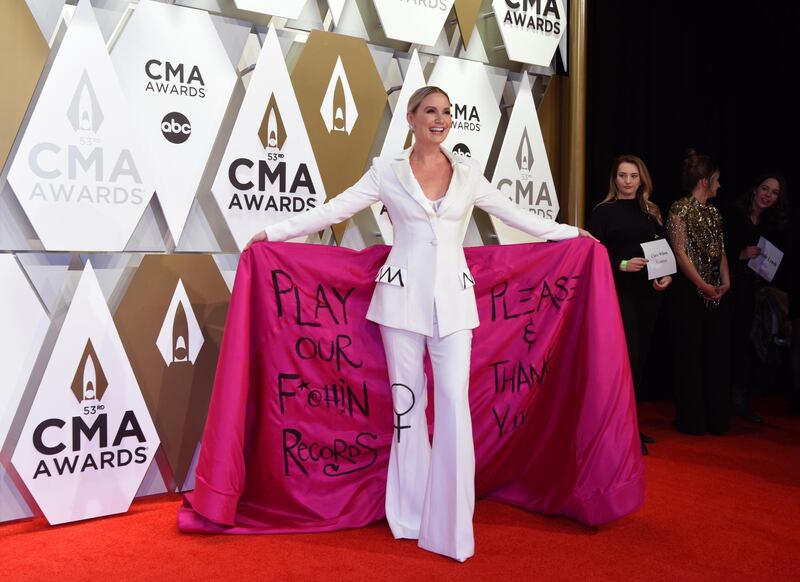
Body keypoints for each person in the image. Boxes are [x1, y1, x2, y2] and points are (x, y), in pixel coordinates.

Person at [245, 86, 593, 562]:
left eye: (446, 112)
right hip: (400, 302)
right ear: (410, 118)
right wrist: (275, 233)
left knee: (453, 407)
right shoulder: (386, 172)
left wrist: (572, 234)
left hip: (454, 303)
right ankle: (408, 516)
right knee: (407, 411)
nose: (440, 119)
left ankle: (450, 526)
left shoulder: (469, 174)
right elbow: (335, 209)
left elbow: (517, 216)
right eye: (431, 111)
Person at [588, 155, 671, 455]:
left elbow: (662, 251)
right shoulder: (603, 212)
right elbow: (592, 254)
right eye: (622, 175)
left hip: (649, 295)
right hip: (617, 292)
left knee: (639, 360)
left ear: (641, 179)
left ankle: (631, 425)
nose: (627, 181)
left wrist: (666, 276)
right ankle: (619, 431)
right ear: (615, 179)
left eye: (633, 176)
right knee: (624, 359)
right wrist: (621, 264)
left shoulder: (651, 211)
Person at [666, 149, 731, 435]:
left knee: (715, 353)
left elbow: (721, 249)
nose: (719, 185)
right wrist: (702, 285)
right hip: (688, 291)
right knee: (689, 354)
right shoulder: (679, 209)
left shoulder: (714, 212)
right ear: (704, 181)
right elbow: (679, 252)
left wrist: (726, 282)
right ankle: (691, 420)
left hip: (715, 290)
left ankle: (717, 418)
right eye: (716, 180)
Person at [725, 174, 789, 422]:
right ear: (754, 189)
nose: (768, 195)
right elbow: (716, 253)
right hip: (730, 288)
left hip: (755, 293)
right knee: (730, 342)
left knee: (749, 345)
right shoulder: (734, 215)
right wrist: (740, 255)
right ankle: (723, 399)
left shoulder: (773, 224)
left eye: (774, 193)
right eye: (765, 188)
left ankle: (740, 400)